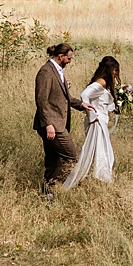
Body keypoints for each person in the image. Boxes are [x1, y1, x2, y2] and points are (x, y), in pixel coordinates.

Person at [61, 56, 130, 189]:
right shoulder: (101, 82)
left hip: (101, 121)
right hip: (97, 122)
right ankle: (100, 180)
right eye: (115, 70)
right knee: (101, 152)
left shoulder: (104, 83)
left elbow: (102, 103)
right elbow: (85, 95)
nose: (116, 74)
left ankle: (97, 181)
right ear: (110, 70)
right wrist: (93, 115)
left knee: (103, 151)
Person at [35, 41, 87, 197]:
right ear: (61, 56)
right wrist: (48, 124)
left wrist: (83, 105)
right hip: (53, 126)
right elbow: (41, 100)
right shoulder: (46, 72)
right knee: (71, 157)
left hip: (58, 124)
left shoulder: (58, 71)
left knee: (53, 159)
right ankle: (51, 189)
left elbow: (66, 98)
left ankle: (46, 194)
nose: (70, 62)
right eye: (69, 58)